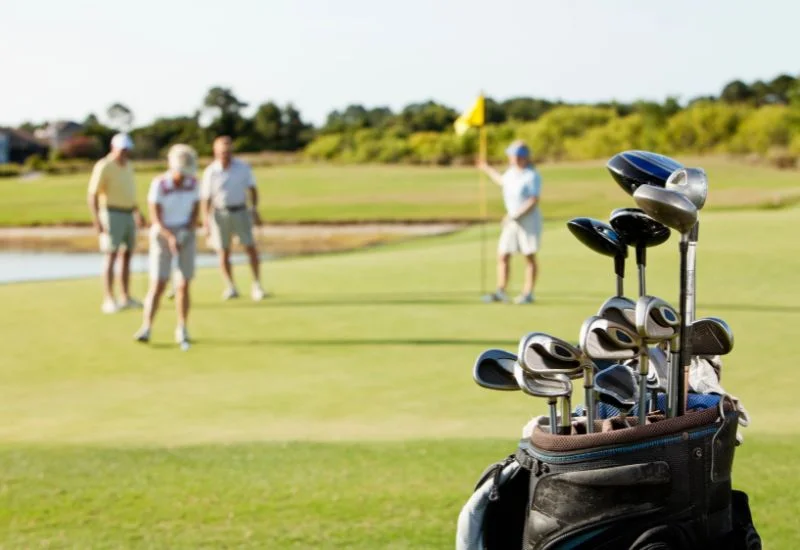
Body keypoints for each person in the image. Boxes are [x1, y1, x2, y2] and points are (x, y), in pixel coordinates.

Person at [134, 144, 200, 346]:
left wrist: (186, 231)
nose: (183, 176)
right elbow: (156, 217)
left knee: (183, 284)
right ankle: (146, 327)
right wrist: (170, 237)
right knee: (159, 283)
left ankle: (182, 328)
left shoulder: (194, 183)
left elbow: (196, 211)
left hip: (186, 234)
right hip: (162, 235)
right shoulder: (160, 184)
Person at [201, 136, 266, 301]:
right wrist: (206, 221)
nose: (226, 155)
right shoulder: (210, 171)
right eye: (223, 152)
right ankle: (230, 287)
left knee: (250, 248)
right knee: (223, 251)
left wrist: (254, 209)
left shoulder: (243, 167)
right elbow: (206, 198)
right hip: (219, 213)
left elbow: (252, 189)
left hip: (241, 211)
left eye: (229, 151)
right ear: (216, 152)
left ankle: (256, 284)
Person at [87, 133, 146, 313]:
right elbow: (93, 194)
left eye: (127, 150)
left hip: (128, 213)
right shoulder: (104, 166)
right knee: (111, 255)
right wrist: (97, 219)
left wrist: (138, 212)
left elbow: (128, 192)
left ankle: (125, 296)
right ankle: (109, 299)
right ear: (113, 148)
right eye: (122, 150)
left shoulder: (128, 166)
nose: (124, 153)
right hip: (111, 213)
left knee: (127, 255)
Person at [478, 140, 543, 305]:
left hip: (528, 220)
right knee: (503, 254)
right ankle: (501, 291)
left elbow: (533, 200)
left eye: (512, 155)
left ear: (522, 157)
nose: (510, 158)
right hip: (511, 220)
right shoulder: (511, 173)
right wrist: (486, 168)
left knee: (529, 256)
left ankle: (528, 294)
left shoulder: (531, 175)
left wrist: (515, 215)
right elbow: (501, 181)